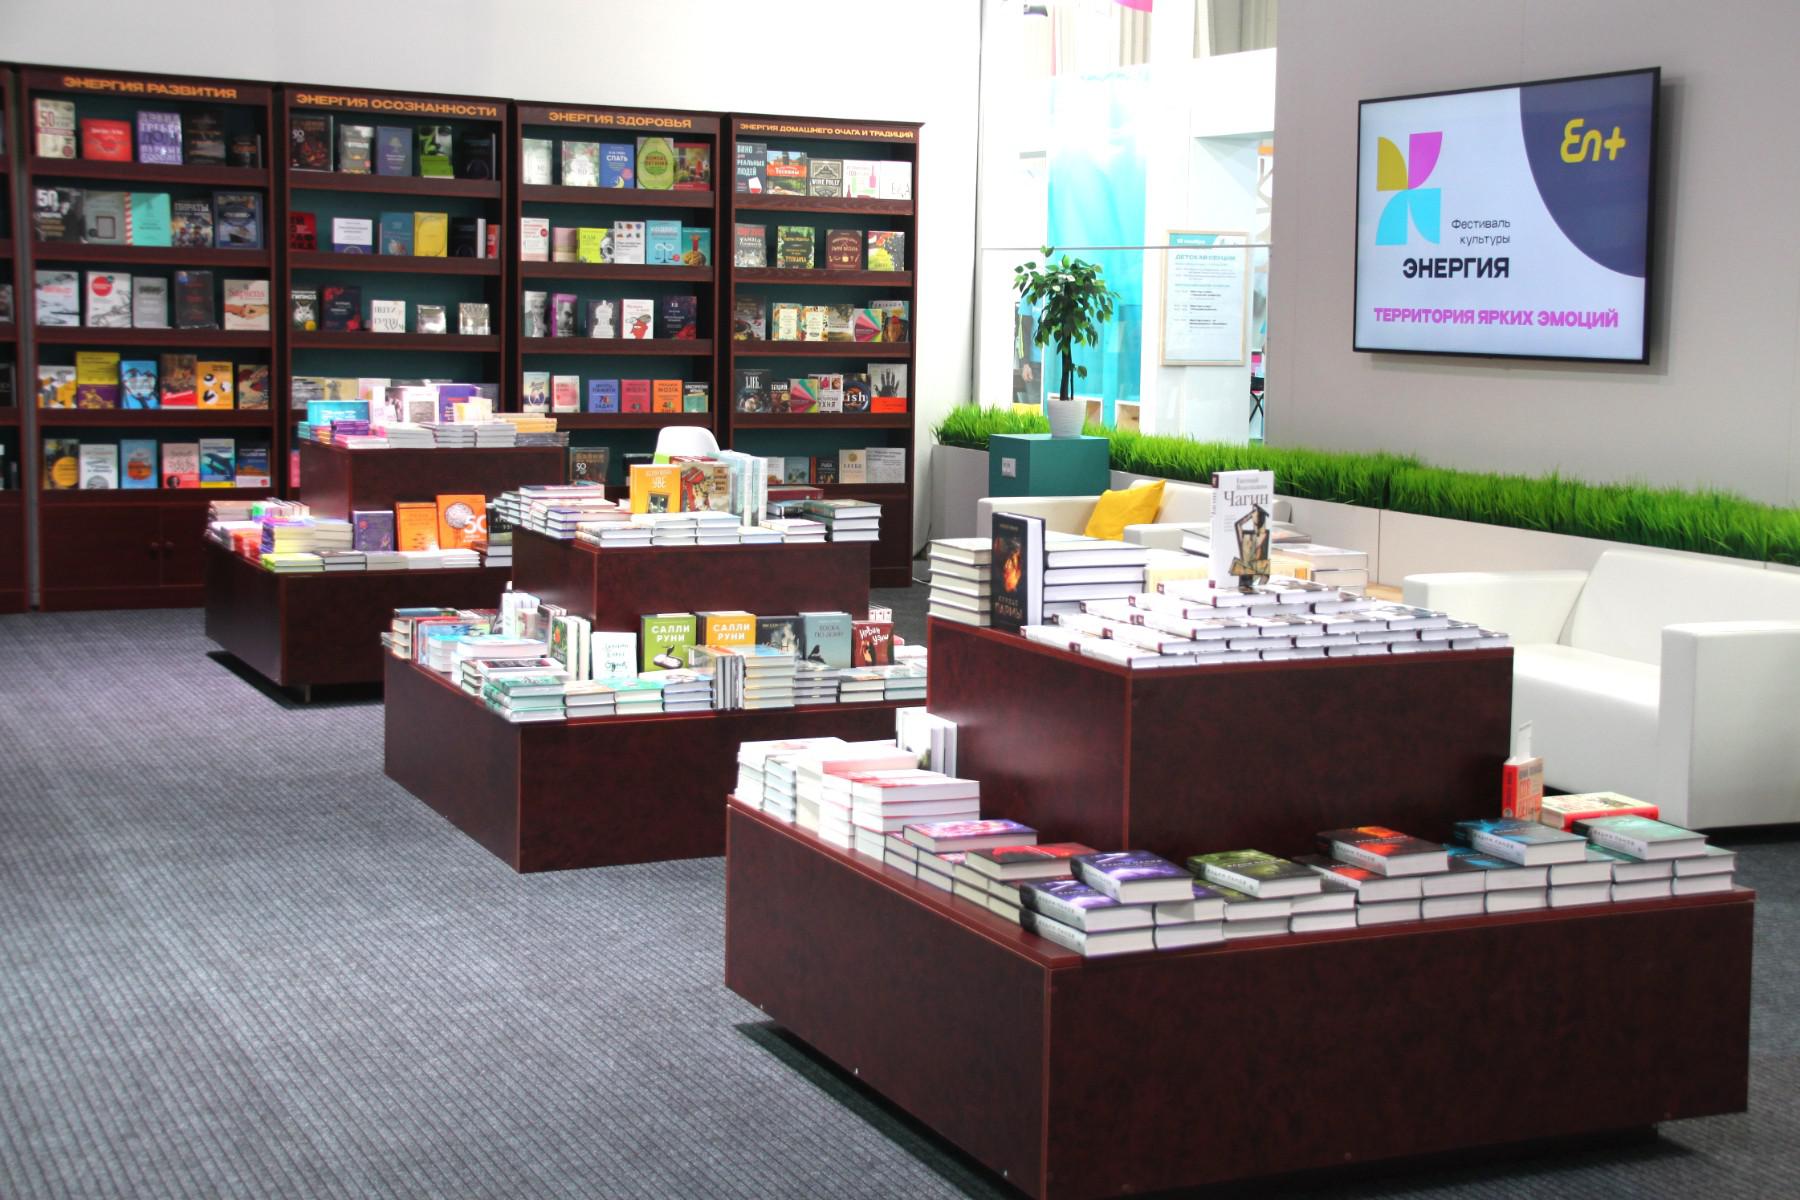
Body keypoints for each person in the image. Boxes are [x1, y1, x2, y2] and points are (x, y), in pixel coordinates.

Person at [1230, 504, 1272, 591]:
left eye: (1255, 511)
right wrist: (1250, 515)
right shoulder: (1247, 536)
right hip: (1245, 576)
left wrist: (1261, 587)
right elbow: (1238, 525)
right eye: (1252, 512)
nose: (1253, 514)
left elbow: (1265, 574)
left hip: (1254, 577)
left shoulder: (1264, 535)